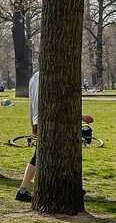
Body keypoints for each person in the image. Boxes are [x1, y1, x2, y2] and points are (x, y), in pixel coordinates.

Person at [14, 72, 95, 202]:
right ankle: (25, 190)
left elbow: (32, 104)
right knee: (47, 156)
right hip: (50, 122)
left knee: (41, 155)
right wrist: (80, 117)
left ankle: (25, 190)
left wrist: (33, 124)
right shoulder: (52, 76)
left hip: (40, 121)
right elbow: (57, 104)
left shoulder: (34, 77)